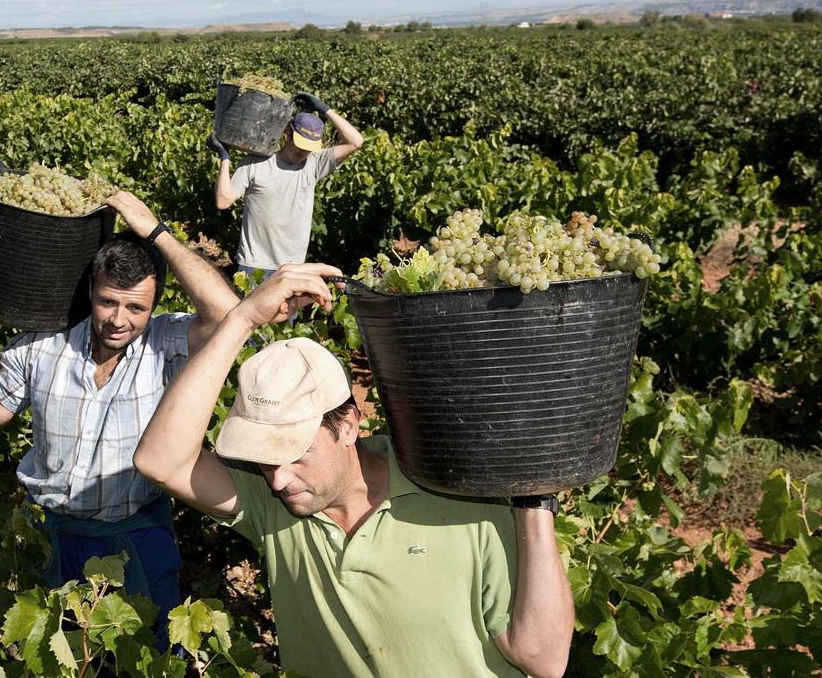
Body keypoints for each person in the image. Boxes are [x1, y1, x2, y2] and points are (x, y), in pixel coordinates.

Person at [132, 264, 575, 677]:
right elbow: (159, 461)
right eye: (264, 462)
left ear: (347, 424)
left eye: (294, 455)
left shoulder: (461, 500)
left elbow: (543, 658)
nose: (279, 479)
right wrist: (241, 319)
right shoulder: (273, 507)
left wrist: (533, 498)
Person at [0, 191, 240, 648]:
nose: (119, 320)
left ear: (156, 303)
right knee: (50, 654)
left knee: (144, 654)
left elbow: (228, 316)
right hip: (49, 534)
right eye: (108, 302)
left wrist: (154, 230)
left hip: (135, 535)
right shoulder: (43, 344)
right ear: (90, 292)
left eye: (136, 308)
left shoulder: (166, 345)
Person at [207, 92, 365, 280]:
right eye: (300, 144)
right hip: (255, 265)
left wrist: (324, 109)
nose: (303, 151)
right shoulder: (254, 163)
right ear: (287, 135)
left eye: (309, 147)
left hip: (294, 268)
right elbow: (223, 201)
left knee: (288, 311)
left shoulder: (314, 164)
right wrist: (225, 158)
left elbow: (356, 141)